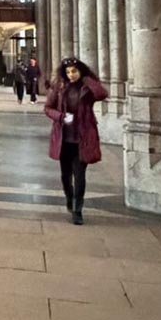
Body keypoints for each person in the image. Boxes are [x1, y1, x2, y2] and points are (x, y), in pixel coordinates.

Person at [44, 56, 108, 225]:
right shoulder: (59, 87)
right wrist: (61, 117)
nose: (71, 75)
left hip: (82, 137)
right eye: (68, 72)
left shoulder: (87, 89)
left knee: (80, 175)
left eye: (74, 71)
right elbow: (48, 108)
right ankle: (69, 198)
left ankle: (77, 209)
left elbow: (102, 94)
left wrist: (88, 78)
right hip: (64, 138)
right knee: (66, 175)